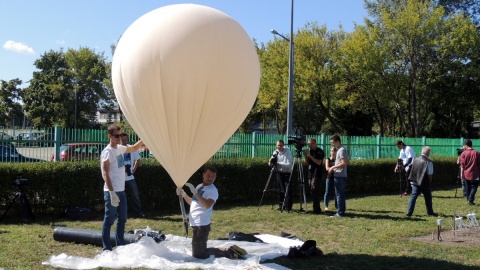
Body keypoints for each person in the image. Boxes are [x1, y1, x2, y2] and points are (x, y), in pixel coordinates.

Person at [178, 166, 247, 259]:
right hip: (196, 224)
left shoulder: (212, 191)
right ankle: (226, 250)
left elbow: (207, 205)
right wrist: (184, 194)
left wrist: (195, 193)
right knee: (199, 252)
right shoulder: (199, 186)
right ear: (203, 175)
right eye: (208, 175)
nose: (210, 178)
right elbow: (193, 202)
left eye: (213, 176)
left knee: (199, 255)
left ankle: (230, 252)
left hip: (201, 226)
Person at [100, 124, 144, 251]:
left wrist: (145, 137)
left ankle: (120, 246)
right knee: (109, 221)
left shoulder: (120, 148)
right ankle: (106, 248)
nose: (119, 137)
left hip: (121, 191)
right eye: (116, 135)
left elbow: (135, 147)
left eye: (120, 135)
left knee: (122, 219)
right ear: (109, 136)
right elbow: (105, 174)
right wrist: (112, 193)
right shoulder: (107, 152)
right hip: (111, 192)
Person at [406, 146, 438, 217]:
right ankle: (430, 212)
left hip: (415, 181)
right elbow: (430, 174)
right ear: (429, 153)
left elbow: (412, 169)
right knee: (428, 197)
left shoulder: (415, 159)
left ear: (422, 151)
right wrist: (430, 181)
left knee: (413, 196)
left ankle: (409, 211)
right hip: (424, 182)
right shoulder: (429, 162)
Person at [121, 133, 146, 218]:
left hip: (130, 176)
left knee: (135, 195)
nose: (124, 141)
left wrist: (133, 170)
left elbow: (138, 159)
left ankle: (138, 212)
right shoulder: (117, 149)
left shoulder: (131, 148)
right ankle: (121, 213)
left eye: (126, 140)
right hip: (119, 178)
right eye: (123, 140)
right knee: (120, 196)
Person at [268, 140, 293, 211]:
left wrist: (280, 165)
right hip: (279, 173)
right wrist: (270, 161)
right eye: (278, 145)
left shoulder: (288, 152)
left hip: (287, 173)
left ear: (283, 145)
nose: (279, 147)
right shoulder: (275, 152)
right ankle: (281, 205)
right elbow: (270, 164)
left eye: (281, 145)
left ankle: (288, 206)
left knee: (287, 190)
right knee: (280, 190)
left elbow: (289, 165)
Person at [328, 135, 349, 218]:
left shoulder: (341, 150)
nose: (332, 144)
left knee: (339, 194)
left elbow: (344, 163)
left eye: (333, 143)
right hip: (340, 175)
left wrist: (333, 167)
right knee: (340, 194)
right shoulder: (340, 149)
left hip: (340, 175)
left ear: (337, 141)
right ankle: (341, 211)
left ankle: (340, 213)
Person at [303, 138, 324, 214]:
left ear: (315, 143)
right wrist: (305, 156)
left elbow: (318, 162)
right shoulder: (310, 151)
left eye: (311, 143)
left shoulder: (320, 151)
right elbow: (307, 162)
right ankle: (315, 207)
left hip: (317, 173)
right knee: (312, 190)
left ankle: (317, 209)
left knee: (315, 189)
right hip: (310, 173)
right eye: (309, 144)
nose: (310, 145)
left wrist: (310, 155)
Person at [460, 139, 480, 206]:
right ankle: (470, 200)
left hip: (466, 173)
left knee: (467, 187)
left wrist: (461, 174)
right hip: (475, 174)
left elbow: (462, 165)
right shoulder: (477, 153)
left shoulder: (463, 153)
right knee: (474, 187)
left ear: (466, 145)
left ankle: (469, 199)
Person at [324, 146, 337, 211]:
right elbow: (327, 168)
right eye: (332, 151)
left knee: (336, 192)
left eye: (334, 151)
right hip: (329, 178)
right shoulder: (328, 159)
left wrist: (332, 168)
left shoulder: (338, 159)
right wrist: (333, 169)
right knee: (327, 192)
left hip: (337, 178)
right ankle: (326, 206)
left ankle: (337, 206)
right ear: (330, 152)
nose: (333, 152)